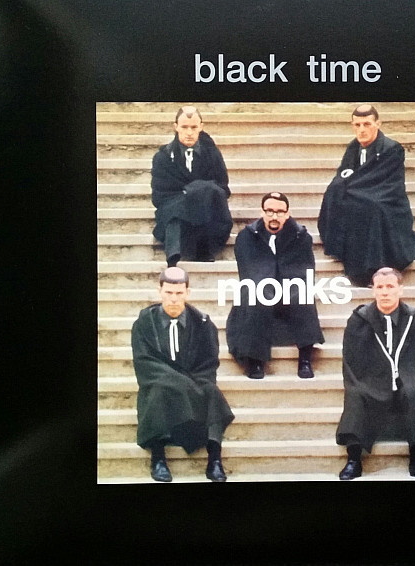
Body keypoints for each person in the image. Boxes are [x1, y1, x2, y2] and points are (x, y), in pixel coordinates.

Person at [336, 267, 415, 480]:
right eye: (380, 287)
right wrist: (363, 385)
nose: (385, 292)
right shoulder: (359, 319)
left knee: (413, 393)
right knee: (356, 395)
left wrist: (414, 384)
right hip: (371, 380)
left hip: (403, 378)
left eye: (390, 286)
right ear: (373, 291)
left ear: (400, 289)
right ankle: (353, 459)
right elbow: (351, 361)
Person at [131, 266, 234, 482]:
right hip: (160, 383)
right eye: (168, 292)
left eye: (179, 293)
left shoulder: (203, 324)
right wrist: (178, 382)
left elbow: (209, 363)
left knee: (212, 392)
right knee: (157, 391)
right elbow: (144, 362)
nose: (173, 299)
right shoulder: (144, 324)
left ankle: (215, 458)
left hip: (195, 381)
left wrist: (190, 383)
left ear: (187, 292)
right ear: (160, 291)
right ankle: (158, 458)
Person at [318, 104, 415, 287]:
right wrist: (344, 187)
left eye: (367, 124)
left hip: (388, 200)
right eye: (357, 125)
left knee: (372, 208)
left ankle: (370, 269)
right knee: (334, 192)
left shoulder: (392, 148)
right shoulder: (353, 147)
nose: (362, 130)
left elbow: (385, 181)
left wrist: (351, 187)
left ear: (377, 124)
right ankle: (339, 247)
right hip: (361, 195)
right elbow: (344, 174)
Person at [226, 192, 325, 379]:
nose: (274, 216)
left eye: (280, 212)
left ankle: (305, 358)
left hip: (289, 286)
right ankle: (255, 360)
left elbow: (305, 270)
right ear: (262, 212)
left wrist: (287, 288)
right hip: (261, 286)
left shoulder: (300, 236)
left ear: (287, 214)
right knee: (254, 294)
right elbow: (248, 271)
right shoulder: (247, 236)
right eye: (269, 211)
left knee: (303, 293)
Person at [151, 105, 233, 266]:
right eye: (184, 127)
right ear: (176, 127)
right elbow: (159, 195)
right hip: (174, 212)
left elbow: (223, 187)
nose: (189, 132)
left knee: (204, 194)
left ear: (201, 127)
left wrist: (196, 191)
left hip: (207, 214)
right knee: (175, 211)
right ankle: (173, 255)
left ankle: (203, 249)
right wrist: (188, 196)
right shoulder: (163, 157)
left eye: (194, 127)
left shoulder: (212, 154)